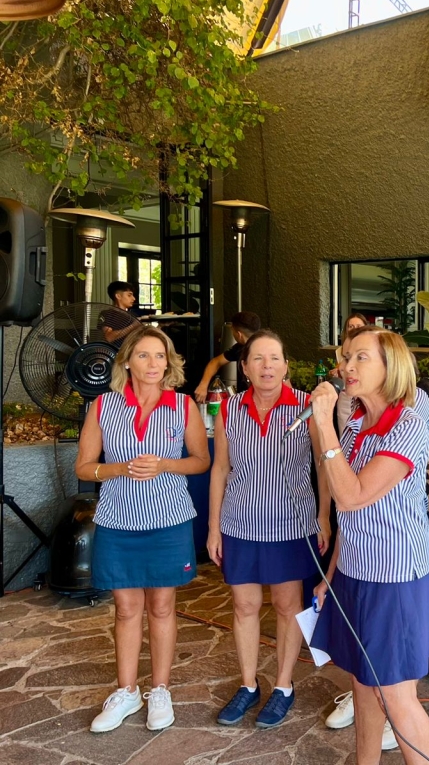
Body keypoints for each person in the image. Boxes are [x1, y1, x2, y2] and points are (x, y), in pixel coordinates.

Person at [308, 325, 429, 764]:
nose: (347, 366)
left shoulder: (407, 424)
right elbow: (348, 516)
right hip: (355, 575)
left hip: (395, 579)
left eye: (360, 357)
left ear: (391, 367)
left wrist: (324, 425)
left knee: (395, 696)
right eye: (346, 357)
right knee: (363, 687)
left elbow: (352, 495)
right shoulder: (357, 424)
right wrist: (331, 575)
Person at [74, 326, 210, 734]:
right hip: (118, 521)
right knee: (126, 608)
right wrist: (118, 469)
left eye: (160, 356)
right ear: (127, 362)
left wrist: (165, 464)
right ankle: (127, 690)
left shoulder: (182, 405)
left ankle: (160, 689)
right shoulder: (103, 405)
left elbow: (200, 461)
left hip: (169, 520)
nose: (154, 364)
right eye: (144, 355)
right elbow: (83, 467)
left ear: (169, 363)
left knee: (162, 607)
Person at [207, 329, 331, 729]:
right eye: (257, 358)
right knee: (244, 606)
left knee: (286, 606)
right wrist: (213, 527)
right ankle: (248, 685)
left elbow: (324, 464)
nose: (267, 366)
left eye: (274, 358)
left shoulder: (306, 407)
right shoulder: (229, 409)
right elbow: (220, 468)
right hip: (239, 522)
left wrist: (324, 516)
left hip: (291, 524)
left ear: (286, 366)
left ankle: (282, 686)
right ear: (244, 367)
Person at [195, 312, 261, 401]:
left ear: (239, 334)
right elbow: (216, 362)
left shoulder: (263, 350)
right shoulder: (239, 348)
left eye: (232, 331)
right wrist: (203, 385)